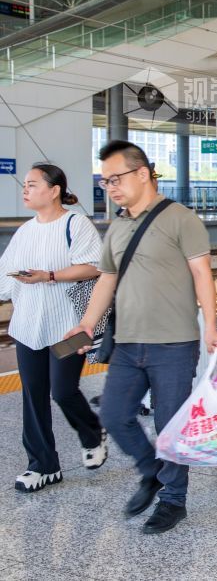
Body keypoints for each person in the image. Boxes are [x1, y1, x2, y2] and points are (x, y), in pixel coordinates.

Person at [66, 140, 217, 535]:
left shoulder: (181, 219)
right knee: (114, 414)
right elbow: (107, 279)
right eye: (105, 182)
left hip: (173, 343)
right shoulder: (118, 226)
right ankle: (150, 469)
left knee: (170, 425)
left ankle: (173, 501)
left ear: (142, 173)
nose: (110, 187)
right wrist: (87, 323)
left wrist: (211, 326)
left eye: (115, 179)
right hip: (127, 342)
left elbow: (202, 273)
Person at [0, 165, 107, 493]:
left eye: (33, 184)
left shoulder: (76, 224)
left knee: (62, 390)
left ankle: (92, 432)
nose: (25, 189)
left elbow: (95, 266)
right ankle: (43, 466)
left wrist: (48, 276)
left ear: (54, 190)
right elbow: (5, 276)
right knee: (33, 395)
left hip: (70, 326)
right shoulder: (25, 230)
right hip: (28, 326)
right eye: (25, 185)